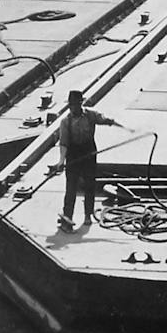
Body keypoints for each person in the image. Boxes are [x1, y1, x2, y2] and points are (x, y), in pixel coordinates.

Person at [52, 90, 122, 232]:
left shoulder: (91, 115)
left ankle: (88, 215)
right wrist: (61, 161)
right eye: (71, 105)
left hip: (89, 153)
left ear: (81, 103)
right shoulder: (66, 122)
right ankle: (67, 216)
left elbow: (106, 120)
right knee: (70, 188)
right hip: (73, 155)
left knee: (89, 185)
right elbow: (64, 143)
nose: (73, 108)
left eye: (75, 105)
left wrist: (122, 126)